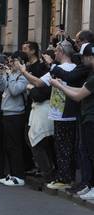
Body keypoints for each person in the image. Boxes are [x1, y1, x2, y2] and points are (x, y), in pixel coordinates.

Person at [20, 40, 78, 190]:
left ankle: (64, 179)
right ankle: (65, 177)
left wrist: (24, 72)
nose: (54, 54)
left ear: (62, 52)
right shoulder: (69, 68)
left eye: (57, 51)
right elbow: (40, 83)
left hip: (63, 112)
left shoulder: (60, 69)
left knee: (63, 147)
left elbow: (39, 84)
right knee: (66, 147)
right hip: (65, 112)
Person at [50, 43, 94, 199]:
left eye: (83, 57)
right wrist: (61, 84)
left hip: (90, 117)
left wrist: (59, 86)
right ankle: (88, 184)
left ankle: (91, 186)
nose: (81, 61)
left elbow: (78, 96)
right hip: (86, 116)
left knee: (90, 153)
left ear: (89, 57)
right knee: (85, 151)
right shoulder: (90, 73)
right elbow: (81, 91)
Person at [0, 51, 29, 186]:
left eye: (14, 61)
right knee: (8, 146)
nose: (11, 63)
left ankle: (19, 176)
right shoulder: (12, 74)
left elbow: (15, 91)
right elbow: (0, 87)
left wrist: (8, 75)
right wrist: (0, 74)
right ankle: (12, 174)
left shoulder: (23, 76)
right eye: (11, 61)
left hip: (16, 114)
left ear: (22, 63)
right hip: (7, 113)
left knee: (15, 146)